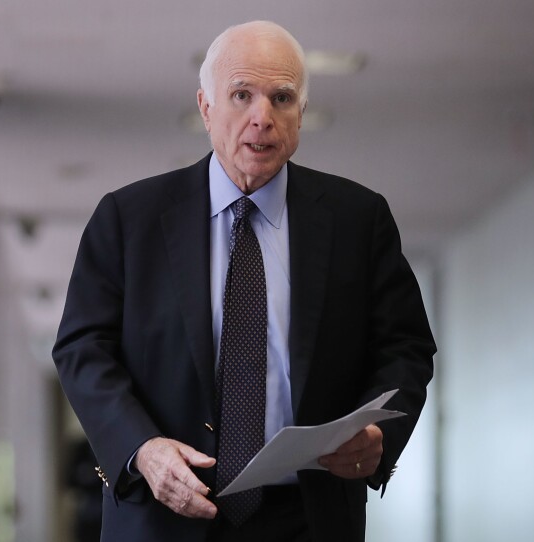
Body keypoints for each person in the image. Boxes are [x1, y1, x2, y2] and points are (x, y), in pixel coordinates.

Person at [53, 20, 435, 542]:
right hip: (165, 515)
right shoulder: (128, 218)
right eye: (241, 95)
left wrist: (378, 436)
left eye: (282, 98)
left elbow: (406, 347)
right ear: (205, 107)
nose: (263, 118)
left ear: (301, 113)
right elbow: (82, 348)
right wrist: (142, 449)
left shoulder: (357, 220)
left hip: (310, 515)